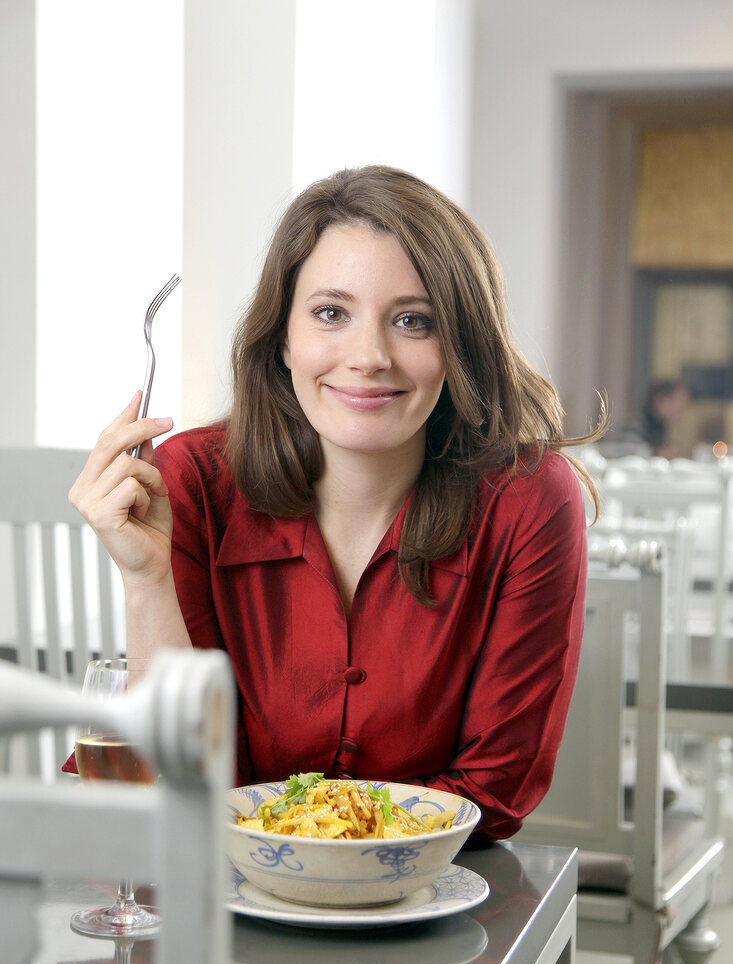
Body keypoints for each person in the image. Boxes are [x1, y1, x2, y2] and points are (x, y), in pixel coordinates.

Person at [68, 165, 602, 843]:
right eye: (330, 313)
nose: (369, 356)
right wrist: (146, 583)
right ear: (282, 338)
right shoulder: (193, 480)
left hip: (430, 907)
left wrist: (315, 846)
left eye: (413, 321)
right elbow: (170, 781)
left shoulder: (528, 501)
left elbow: (493, 792)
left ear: (459, 346)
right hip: (219, 899)